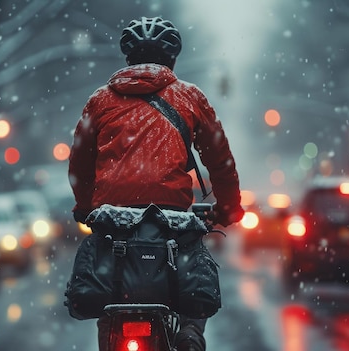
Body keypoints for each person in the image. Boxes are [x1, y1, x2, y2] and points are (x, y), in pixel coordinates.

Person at [68, 16, 244, 351]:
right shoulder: (191, 98)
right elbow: (220, 161)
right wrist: (228, 207)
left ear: (128, 58)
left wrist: (85, 205)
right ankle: (191, 332)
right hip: (171, 222)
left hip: (113, 222)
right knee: (192, 278)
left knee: (108, 296)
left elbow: (79, 164)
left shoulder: (100, 101)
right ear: (173, 58)